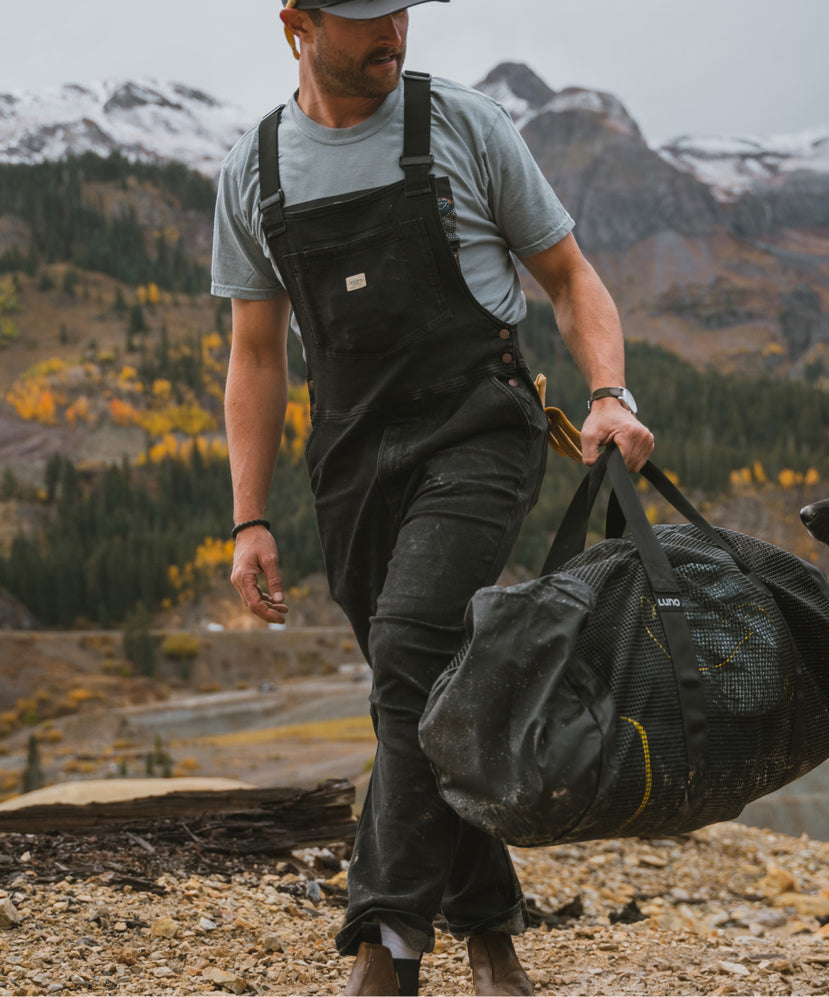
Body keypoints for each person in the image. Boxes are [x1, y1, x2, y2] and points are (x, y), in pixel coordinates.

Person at [211, 1, 655, 993]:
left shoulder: (463, 126)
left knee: (411, 649)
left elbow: (571, 278)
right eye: (366, 16)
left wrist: (608, 394)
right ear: (298, 22)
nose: (393, 32)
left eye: (401, 11)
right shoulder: (255, 169)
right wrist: (248, 517)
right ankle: (491, 926)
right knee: (428, 692)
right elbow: (253, 357)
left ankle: (388, 945)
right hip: (351, 461)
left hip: (478, 432)